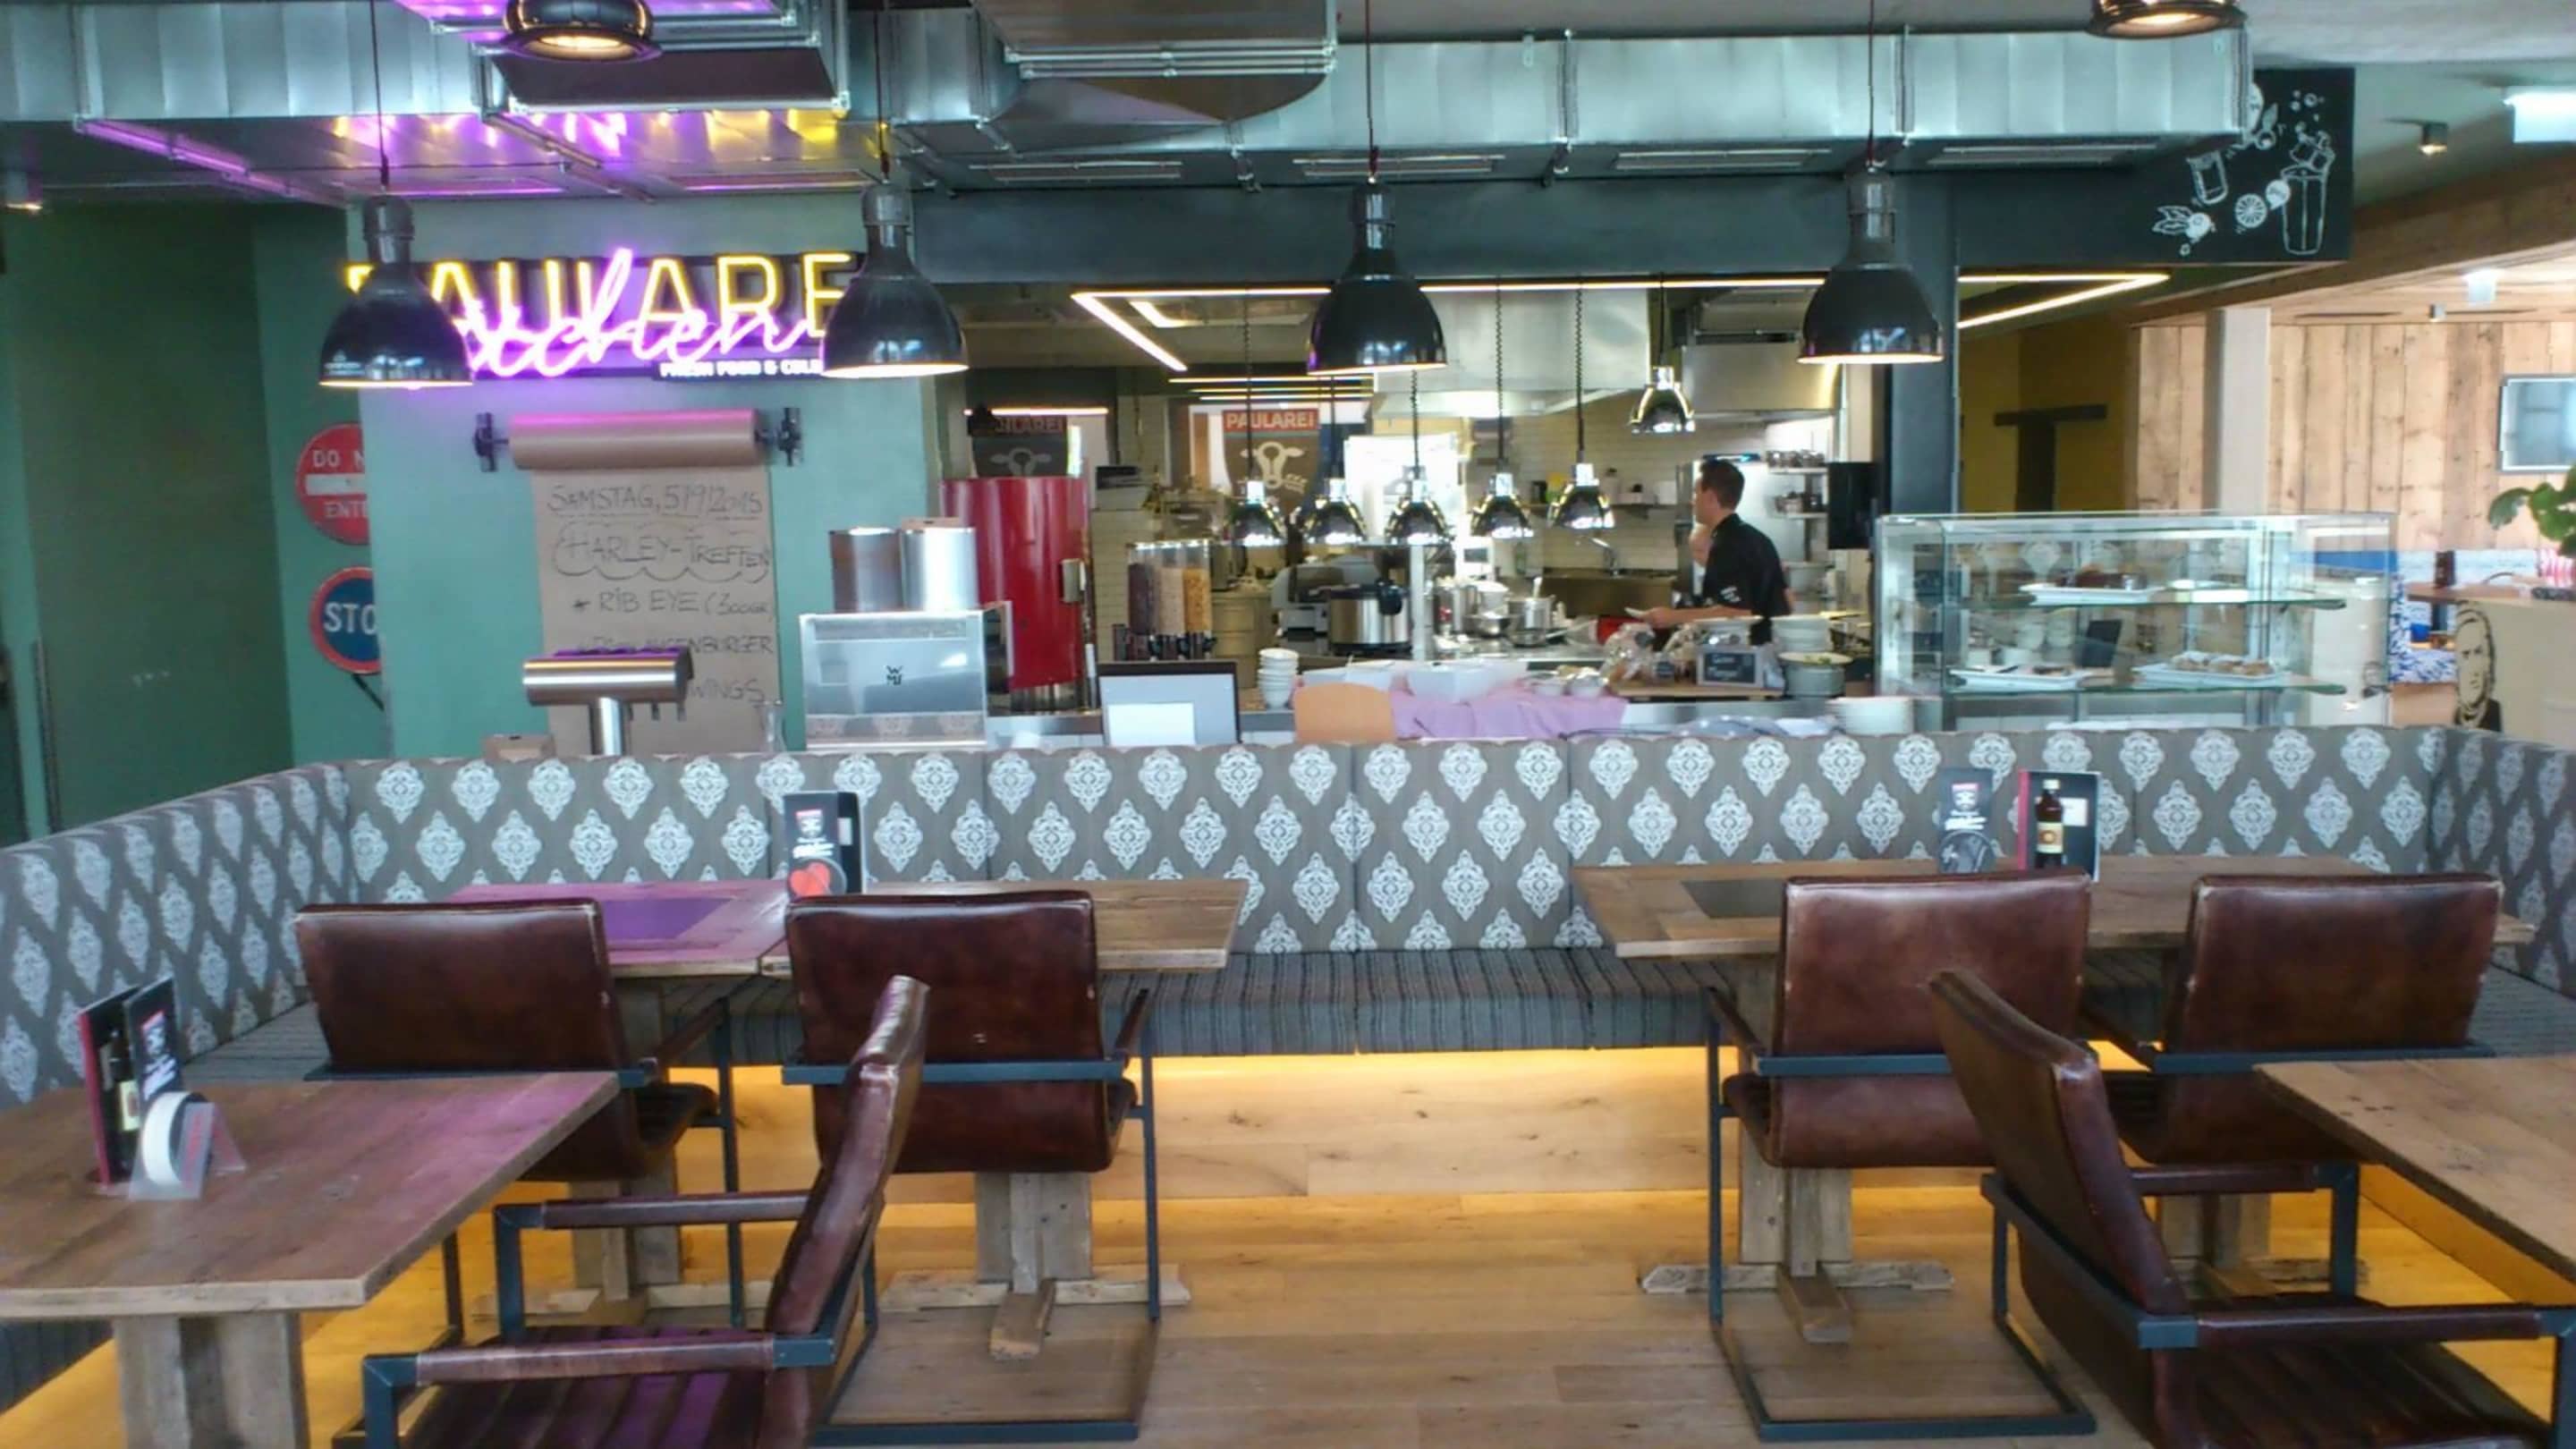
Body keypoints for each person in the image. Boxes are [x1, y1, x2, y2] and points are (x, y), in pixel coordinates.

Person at [1642, 459, 1791, 644]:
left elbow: (1739, 613)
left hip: (1747, 650)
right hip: (1773, 646)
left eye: (1696, 494)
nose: (1692, 501)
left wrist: (1673, 617)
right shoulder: (1759, 539)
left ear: (1711, 497)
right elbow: (1786, 600)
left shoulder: (1726, 545)